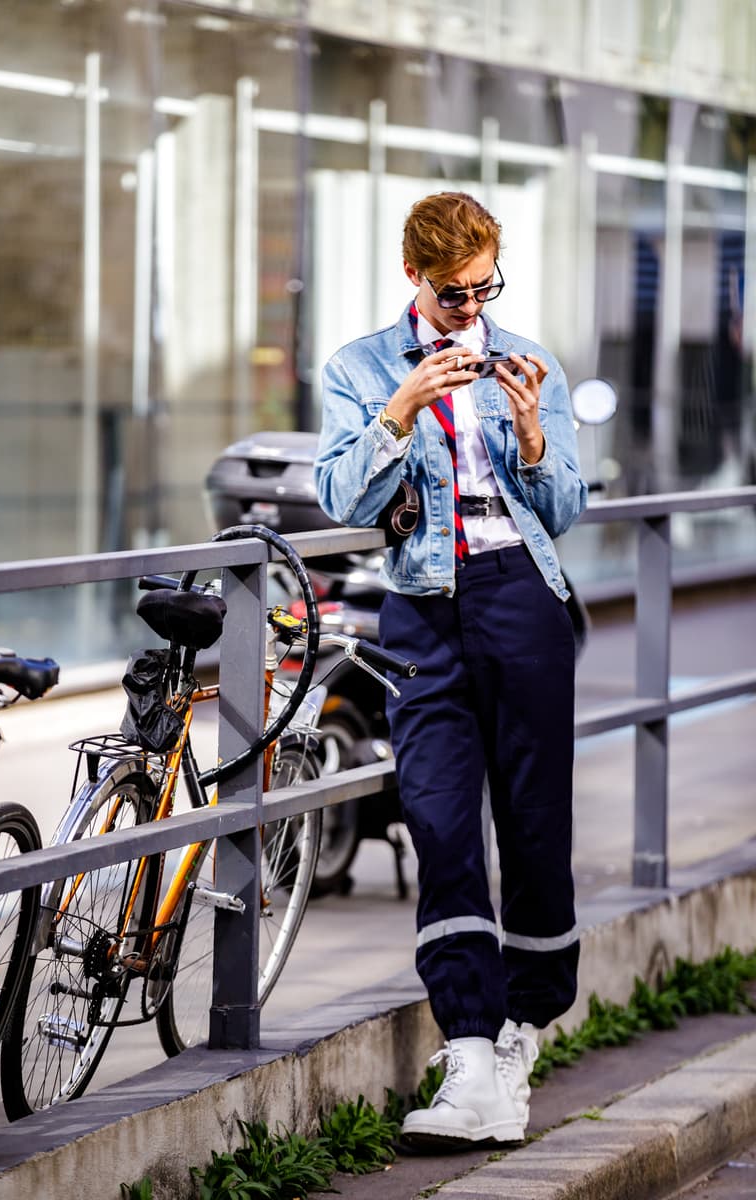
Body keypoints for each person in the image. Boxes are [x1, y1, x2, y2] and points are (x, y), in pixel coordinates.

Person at [314, 191, 586, 1148]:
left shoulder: (529, 360)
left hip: (522, 593)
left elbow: (567, 507)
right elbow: (344, 494)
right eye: (456, 293)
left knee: (535, 819)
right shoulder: (357, 367)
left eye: (486, 288)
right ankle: (469, 1043)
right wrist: (401, 407)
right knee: (434, 816)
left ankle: (520, 1025)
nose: (475, 308)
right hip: (423, 606)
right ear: (414, 279)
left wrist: (533, 434)